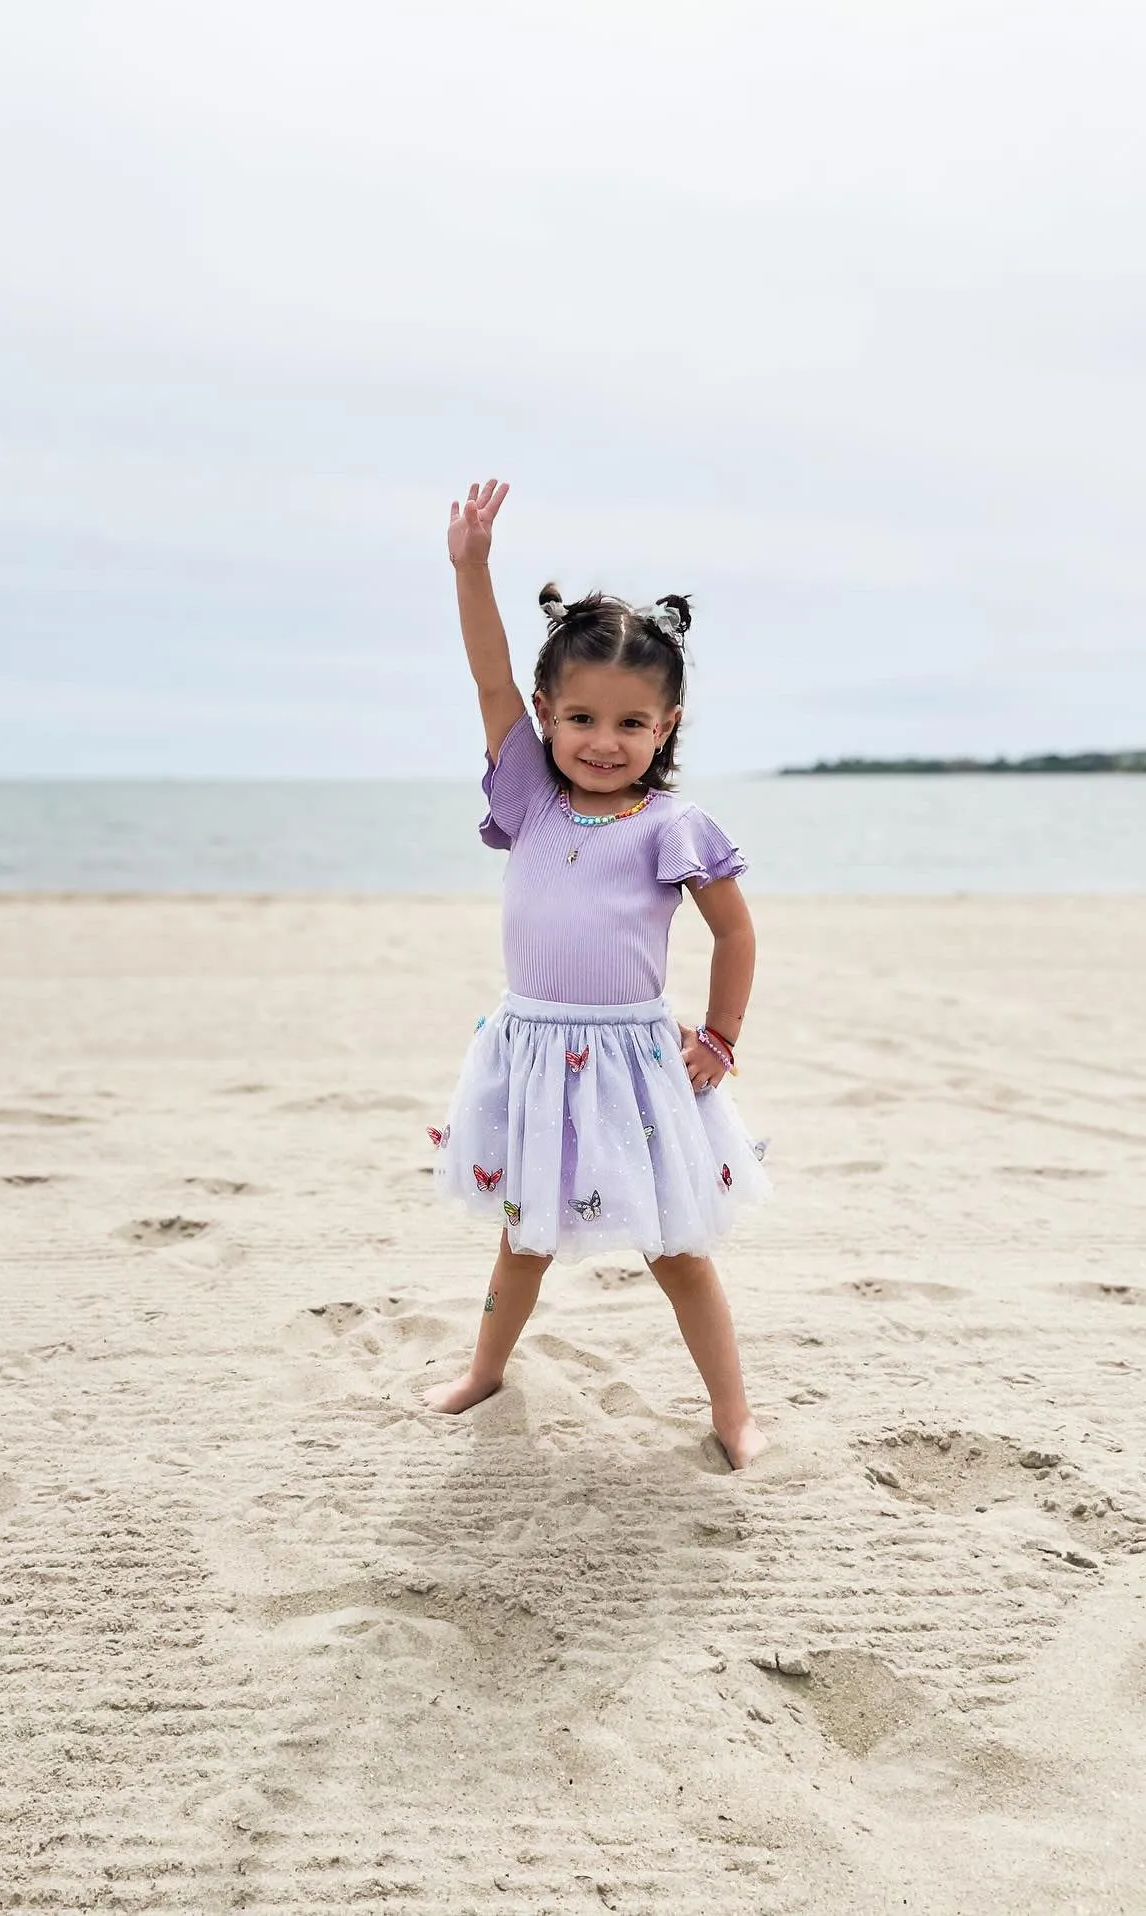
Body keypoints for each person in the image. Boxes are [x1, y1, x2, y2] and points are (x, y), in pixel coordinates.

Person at [424, 477, 771, 1469]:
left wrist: (720, 1038)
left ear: (666, 724)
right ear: (546, 714)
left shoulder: (673, 825)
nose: (603, 741)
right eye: (580, 717)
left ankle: (734, 1411)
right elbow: (489, 678)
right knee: (523, 1237)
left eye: (630, 723)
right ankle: (484, 1367)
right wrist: (473, 566)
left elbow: (737, 936)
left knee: (679, 1249)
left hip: (634, 1062)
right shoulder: (531, 798)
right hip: (530, 1051)